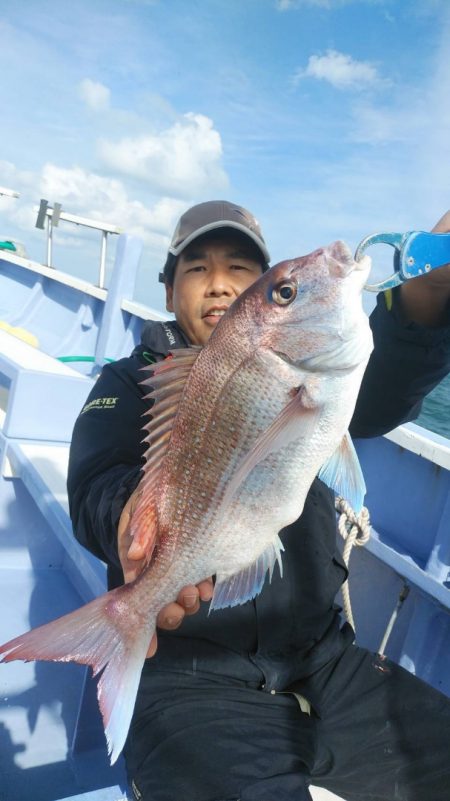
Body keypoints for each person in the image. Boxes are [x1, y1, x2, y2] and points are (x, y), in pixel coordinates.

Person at [67, 201, 450, 801]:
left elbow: (381, 395)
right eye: (196, 268)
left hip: (326, 663)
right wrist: (130, 524)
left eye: (245, 269)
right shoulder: (128, 383)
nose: (219, 281)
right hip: (188, 679)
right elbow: (96, 481)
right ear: (169, 293)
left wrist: (430, 292)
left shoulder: (322, 372)